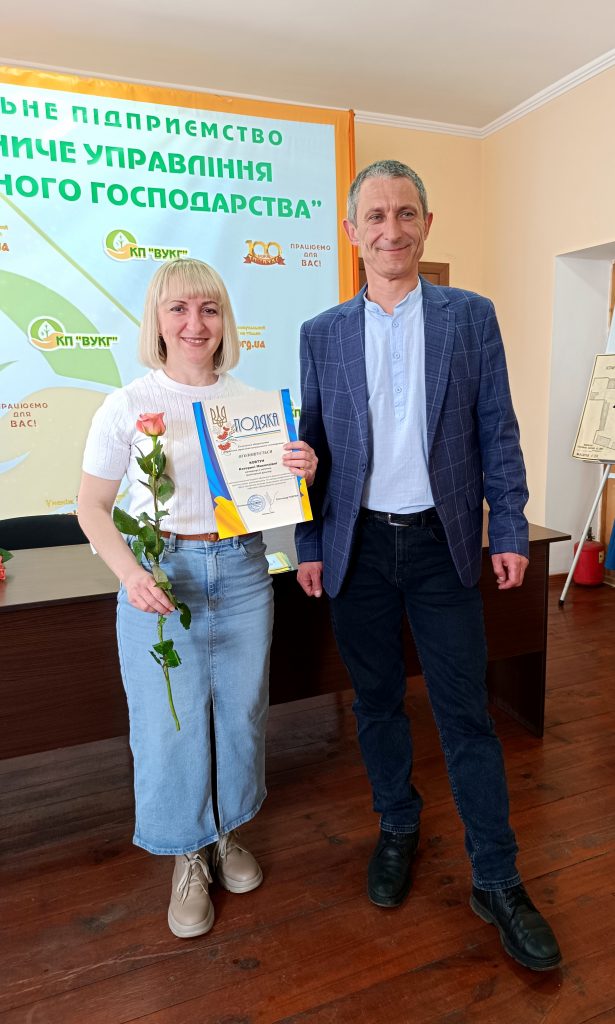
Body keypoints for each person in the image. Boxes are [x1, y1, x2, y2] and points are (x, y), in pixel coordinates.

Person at [295, 160, 561, 972]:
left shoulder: (469, 317)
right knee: (376, 703)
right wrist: (310, 544)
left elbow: (497, 430)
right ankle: (397, 823)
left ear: (426, 224)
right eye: (375, 216)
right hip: (358, 548)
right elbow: (311, 447)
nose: (391, 229)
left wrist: (506, 525)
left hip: (443, 547)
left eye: (405, 213)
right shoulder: (321, 333)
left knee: (464, 714)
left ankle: (496, 878)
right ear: (352, 232)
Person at [78, 258, 316, 940]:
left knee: (241, 714)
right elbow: (91, 507)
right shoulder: (126, 405)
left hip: (242, 571)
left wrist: (301, 471)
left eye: (208, 309)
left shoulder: (251, 405)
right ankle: (187, 851)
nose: (194, 323)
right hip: (161, 576)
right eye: (178, 309)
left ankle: (226, 830)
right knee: (169, 725)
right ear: (157, 320)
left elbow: (271, 501)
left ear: (224, 320)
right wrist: (131, 574)